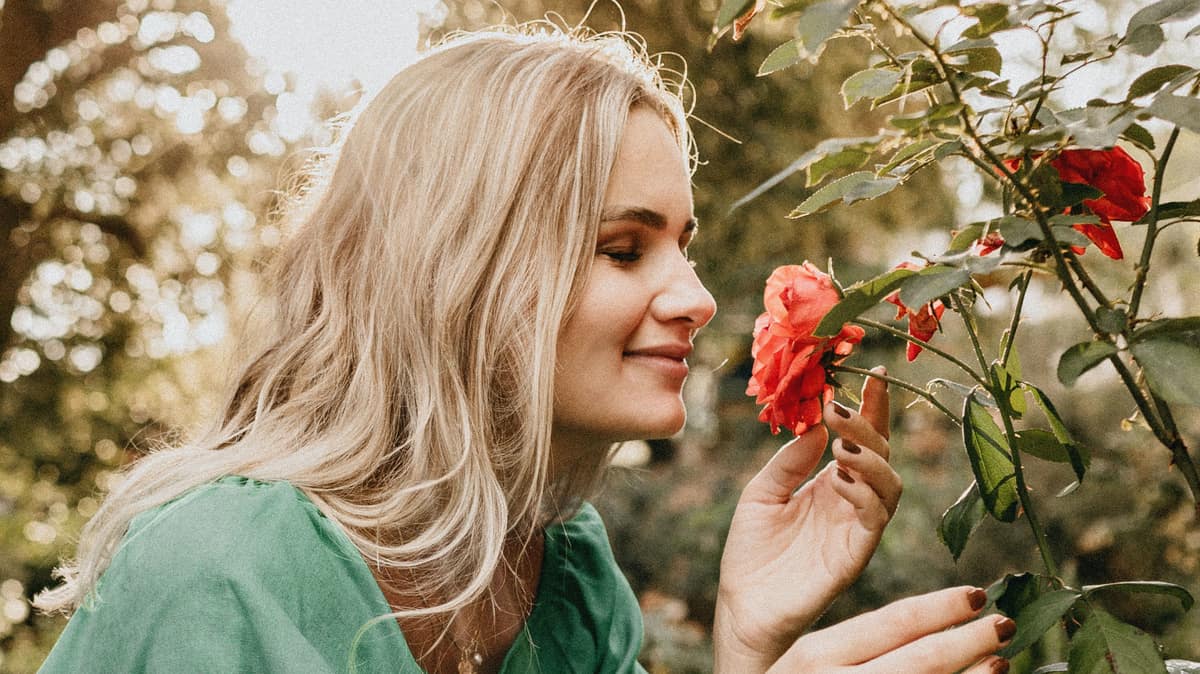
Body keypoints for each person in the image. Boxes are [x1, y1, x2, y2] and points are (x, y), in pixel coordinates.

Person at [35, 24, 1015, 673]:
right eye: (623, 248)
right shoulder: (218, 571)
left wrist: (745, 636)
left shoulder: (564, 568)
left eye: (685, 244)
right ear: (457, 266)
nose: (698, 297)